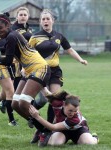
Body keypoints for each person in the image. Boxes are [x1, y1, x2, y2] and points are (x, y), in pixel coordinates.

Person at [0, 13, 51, 128]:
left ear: (7, 25)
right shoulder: (12, 36)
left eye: (0, 28)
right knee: (15, 104)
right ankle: (39, 127)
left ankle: (45, 128)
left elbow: (8, 60)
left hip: (39, 68)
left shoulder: (12, 36)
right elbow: (8, 49)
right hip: (29, 71)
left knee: (23, 103)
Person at [28, 9, 88, 142]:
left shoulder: (59, 36)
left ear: (53, 21)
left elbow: (70, 49)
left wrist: (80, 60)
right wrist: (23, 68)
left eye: (48, 19)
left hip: (55, 71)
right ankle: (32, 117)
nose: (45, 21)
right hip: (40, 70)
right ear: (40, 22)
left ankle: (47, 129)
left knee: (55, 99)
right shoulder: (35, 37)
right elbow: (27, 54)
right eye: (43, 19)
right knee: (43, 100)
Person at [29, 90, 99, 147]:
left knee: (88, 143)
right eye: (70, 110)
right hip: (62, 130)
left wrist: (37, 116)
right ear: (64, 105)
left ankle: (95, 137)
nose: (73, 113)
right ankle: (44, 134)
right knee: (56, 144)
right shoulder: (57, 103)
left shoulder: (75, 119)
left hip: (78, 129)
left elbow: (53, 127)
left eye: (75, 111)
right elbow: (46, 92)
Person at [0, 7, 33, 112]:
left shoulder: (28, 28)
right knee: (15, 88)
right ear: (17, 16)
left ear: (28, 17)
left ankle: (4, 102)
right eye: (21, 15)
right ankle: (7, 104)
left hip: (26, 61)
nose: (23, 17)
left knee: (16, 88)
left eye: (25, 15)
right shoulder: (13, 29)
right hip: (14, 62)